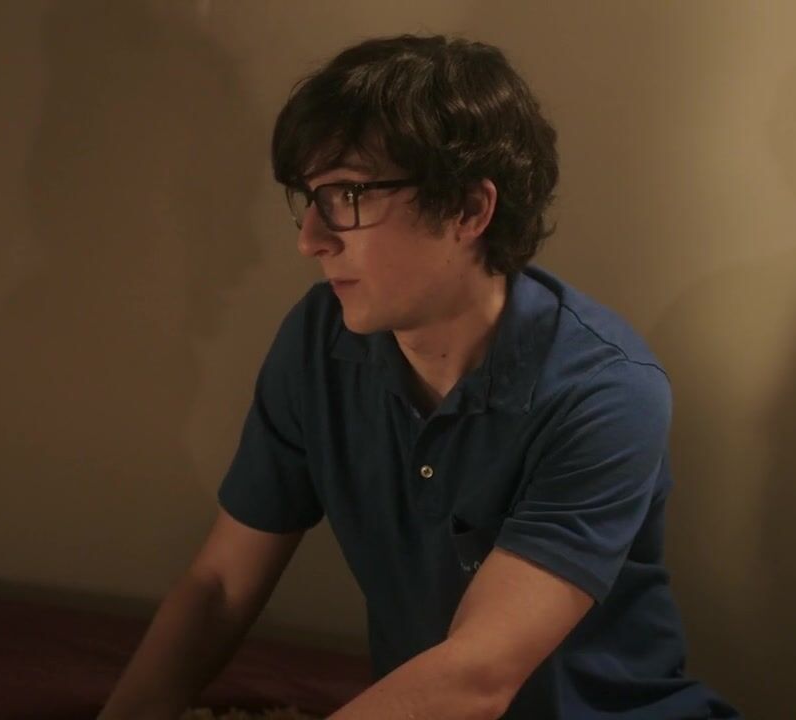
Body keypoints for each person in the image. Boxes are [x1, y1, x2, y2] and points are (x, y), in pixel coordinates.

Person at [100, 34, 739, 719]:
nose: (310, 239)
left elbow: (477, 674)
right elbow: (220, 587)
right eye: (309, 198)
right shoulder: (321, 339)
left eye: (347, 195)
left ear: (469, 209)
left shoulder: (603, 392)